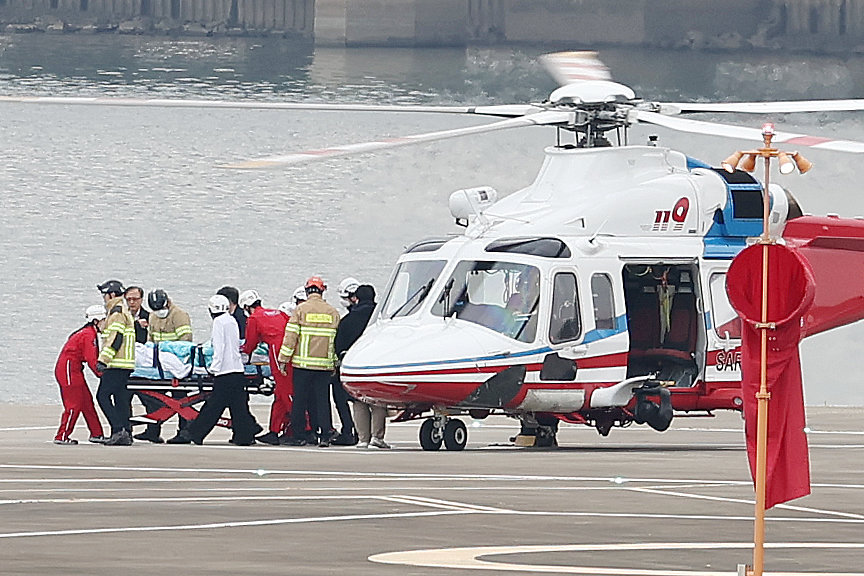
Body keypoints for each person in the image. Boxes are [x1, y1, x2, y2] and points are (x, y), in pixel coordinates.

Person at [167, 295, 257, 445]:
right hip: (237, 370)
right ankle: (245, 435)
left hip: (224, 372)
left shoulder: (218, 322)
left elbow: (219, 348)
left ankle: (195, 433)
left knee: (213, 406)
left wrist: (214, 369)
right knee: (238, 405)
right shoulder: (231, 320)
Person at [277, 276, 340, 447]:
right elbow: (335, 341)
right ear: (322, 290)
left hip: (302, 365)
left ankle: (300, 435)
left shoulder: (300, 310)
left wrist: (283, 359)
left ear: (307, 291)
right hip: (324, 365)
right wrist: (334, 362)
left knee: (300, 400)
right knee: (322, 400)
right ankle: (325, 434)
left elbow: (291, 338)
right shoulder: (333, 312)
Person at [134, 289, 193, 443]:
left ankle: (184, 432)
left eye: (160, 308)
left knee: (181, 398)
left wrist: (168, 353)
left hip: (176, 363)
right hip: (158, 365)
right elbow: (150, 340)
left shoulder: (179, 316)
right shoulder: (153, 316)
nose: (159, 312)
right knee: (151, 395)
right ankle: (152, 430)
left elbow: (185, 341)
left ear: (167, 302)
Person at [338, 285, 390, 449]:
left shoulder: (348, 320)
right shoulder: (381, 319)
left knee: (358, 402)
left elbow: (338, 344)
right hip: (377, 363)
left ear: (356, 298)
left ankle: (363, 439)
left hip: (355, 365)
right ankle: (377, 437)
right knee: (378, 402)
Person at [239, 289, 292, 445]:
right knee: (281, 394)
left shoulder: (254, 319)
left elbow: (250, 344)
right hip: (290, 351)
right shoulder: (277, 312)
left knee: (285, 393)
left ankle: (303, 429)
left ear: (247, 307)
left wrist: (243, 353)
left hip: (278, 354)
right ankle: (274, 431)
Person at [53, 305, 107, 445]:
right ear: (96, 321)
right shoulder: (88, 335)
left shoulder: (86, 333)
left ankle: (97, 433)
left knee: (87, 402)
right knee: (74, 404)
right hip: (69, 371)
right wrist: (102, 375)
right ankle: (62, 435)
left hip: (72, 369)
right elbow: (92, 359)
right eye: (104, 320)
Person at [95, 280, 136, 446]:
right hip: (125, 364)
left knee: (102, 396)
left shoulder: (117, 312)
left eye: (104, 294)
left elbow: (115, 338)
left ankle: (118, 429)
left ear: (111, 294)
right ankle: (125, 431)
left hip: (117, 363)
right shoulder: (121, 310)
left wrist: (103, 360)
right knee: (120, 398)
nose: (103, 298)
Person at [328, 277, 363, 446]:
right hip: (367, 367)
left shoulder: (347, 321)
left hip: (348, 366)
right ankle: (364, 432)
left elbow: (337, 345)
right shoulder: (377, 315)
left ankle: (348, 430)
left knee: (340, 398)